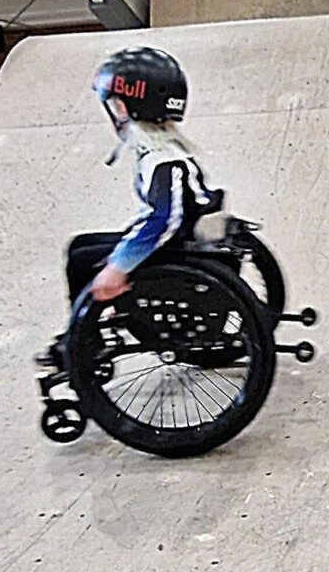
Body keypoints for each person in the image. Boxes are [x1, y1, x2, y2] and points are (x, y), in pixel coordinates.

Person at [37, 46, 221, 367]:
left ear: (124, 107)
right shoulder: (166, 148)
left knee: (82, 262)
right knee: (81, 246)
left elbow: (163, 220)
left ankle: (84, 342)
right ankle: (83, 334)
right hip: (183, 241)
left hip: (174, 250)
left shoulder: (161, 159)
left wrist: (117, 267)